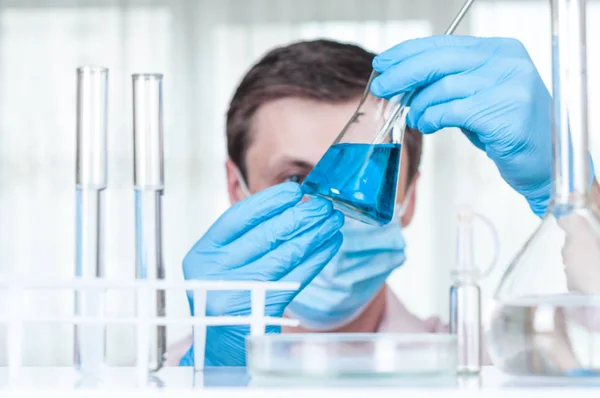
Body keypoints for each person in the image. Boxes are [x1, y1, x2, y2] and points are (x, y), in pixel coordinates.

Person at [174, 35, 598, 367]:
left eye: (365, 174)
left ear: (408, 195)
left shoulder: (489, 368)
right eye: (298, 177)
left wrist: (572, 192)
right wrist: (216, 377)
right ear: (237, 189)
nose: (337, 202)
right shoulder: (162, 374)